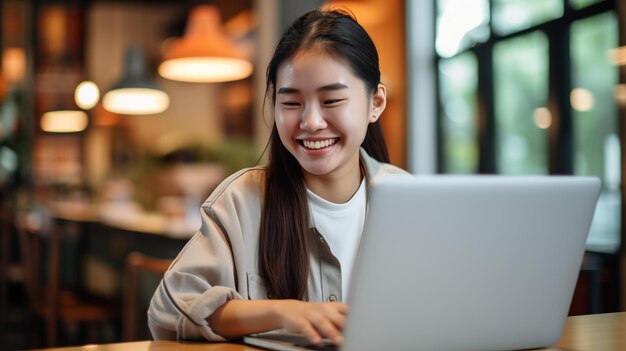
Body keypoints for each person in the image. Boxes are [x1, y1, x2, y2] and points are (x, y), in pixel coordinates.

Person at [147, 8, 407, 346]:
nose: (311, 121)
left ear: (376, 102)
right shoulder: (242, 200)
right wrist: (284, 312)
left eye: (331, 100)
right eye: (291, 103)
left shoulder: (408, 200)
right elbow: (169, 313)